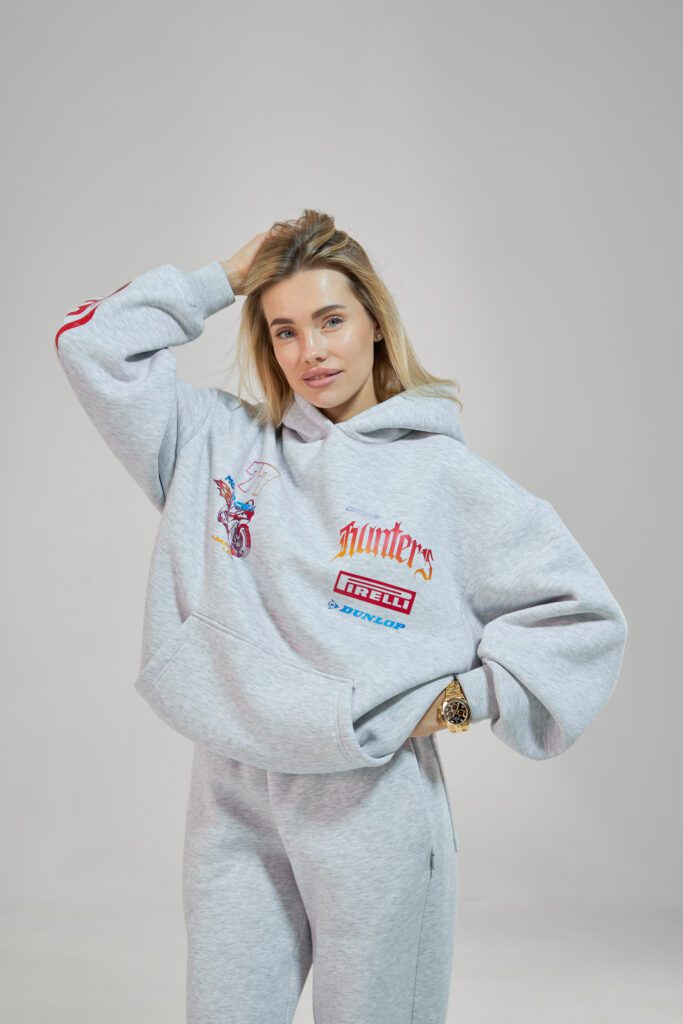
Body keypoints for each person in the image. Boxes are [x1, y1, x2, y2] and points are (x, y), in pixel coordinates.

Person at [54, 208, 628, 1024]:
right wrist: (225, 277)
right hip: (233, 793)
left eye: (330, 320)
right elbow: (89, 344)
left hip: (372, 806)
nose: (310, 351)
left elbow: (583, 618)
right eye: (284, 330)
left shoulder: (446, 480)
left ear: (375, 324)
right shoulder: (213, 444)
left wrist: (458, 702)